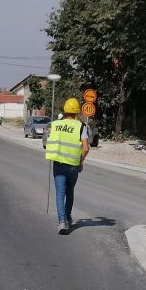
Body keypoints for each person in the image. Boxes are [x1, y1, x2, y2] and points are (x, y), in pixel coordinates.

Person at [44, 98, 90, 235]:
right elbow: (86, 148)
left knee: (60, 193)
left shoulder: (55, 124)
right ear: (77, 112)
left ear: (65, 110)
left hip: (59, 164)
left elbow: (47, 141)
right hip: (73, 166)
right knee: (70, 191)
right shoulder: (81, 126)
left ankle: (62, 221)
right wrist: (80, 162)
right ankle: (68, 217)